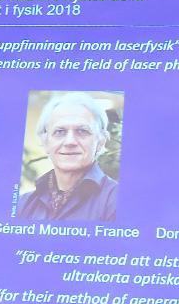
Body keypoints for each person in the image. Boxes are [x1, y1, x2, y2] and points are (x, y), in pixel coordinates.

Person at [17, 91, 117, 222]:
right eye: (60, 132)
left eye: (82, 131)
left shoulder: (116, 200)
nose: (70, 141)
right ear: (45, 142)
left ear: (101, 142)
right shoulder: (23, 204)